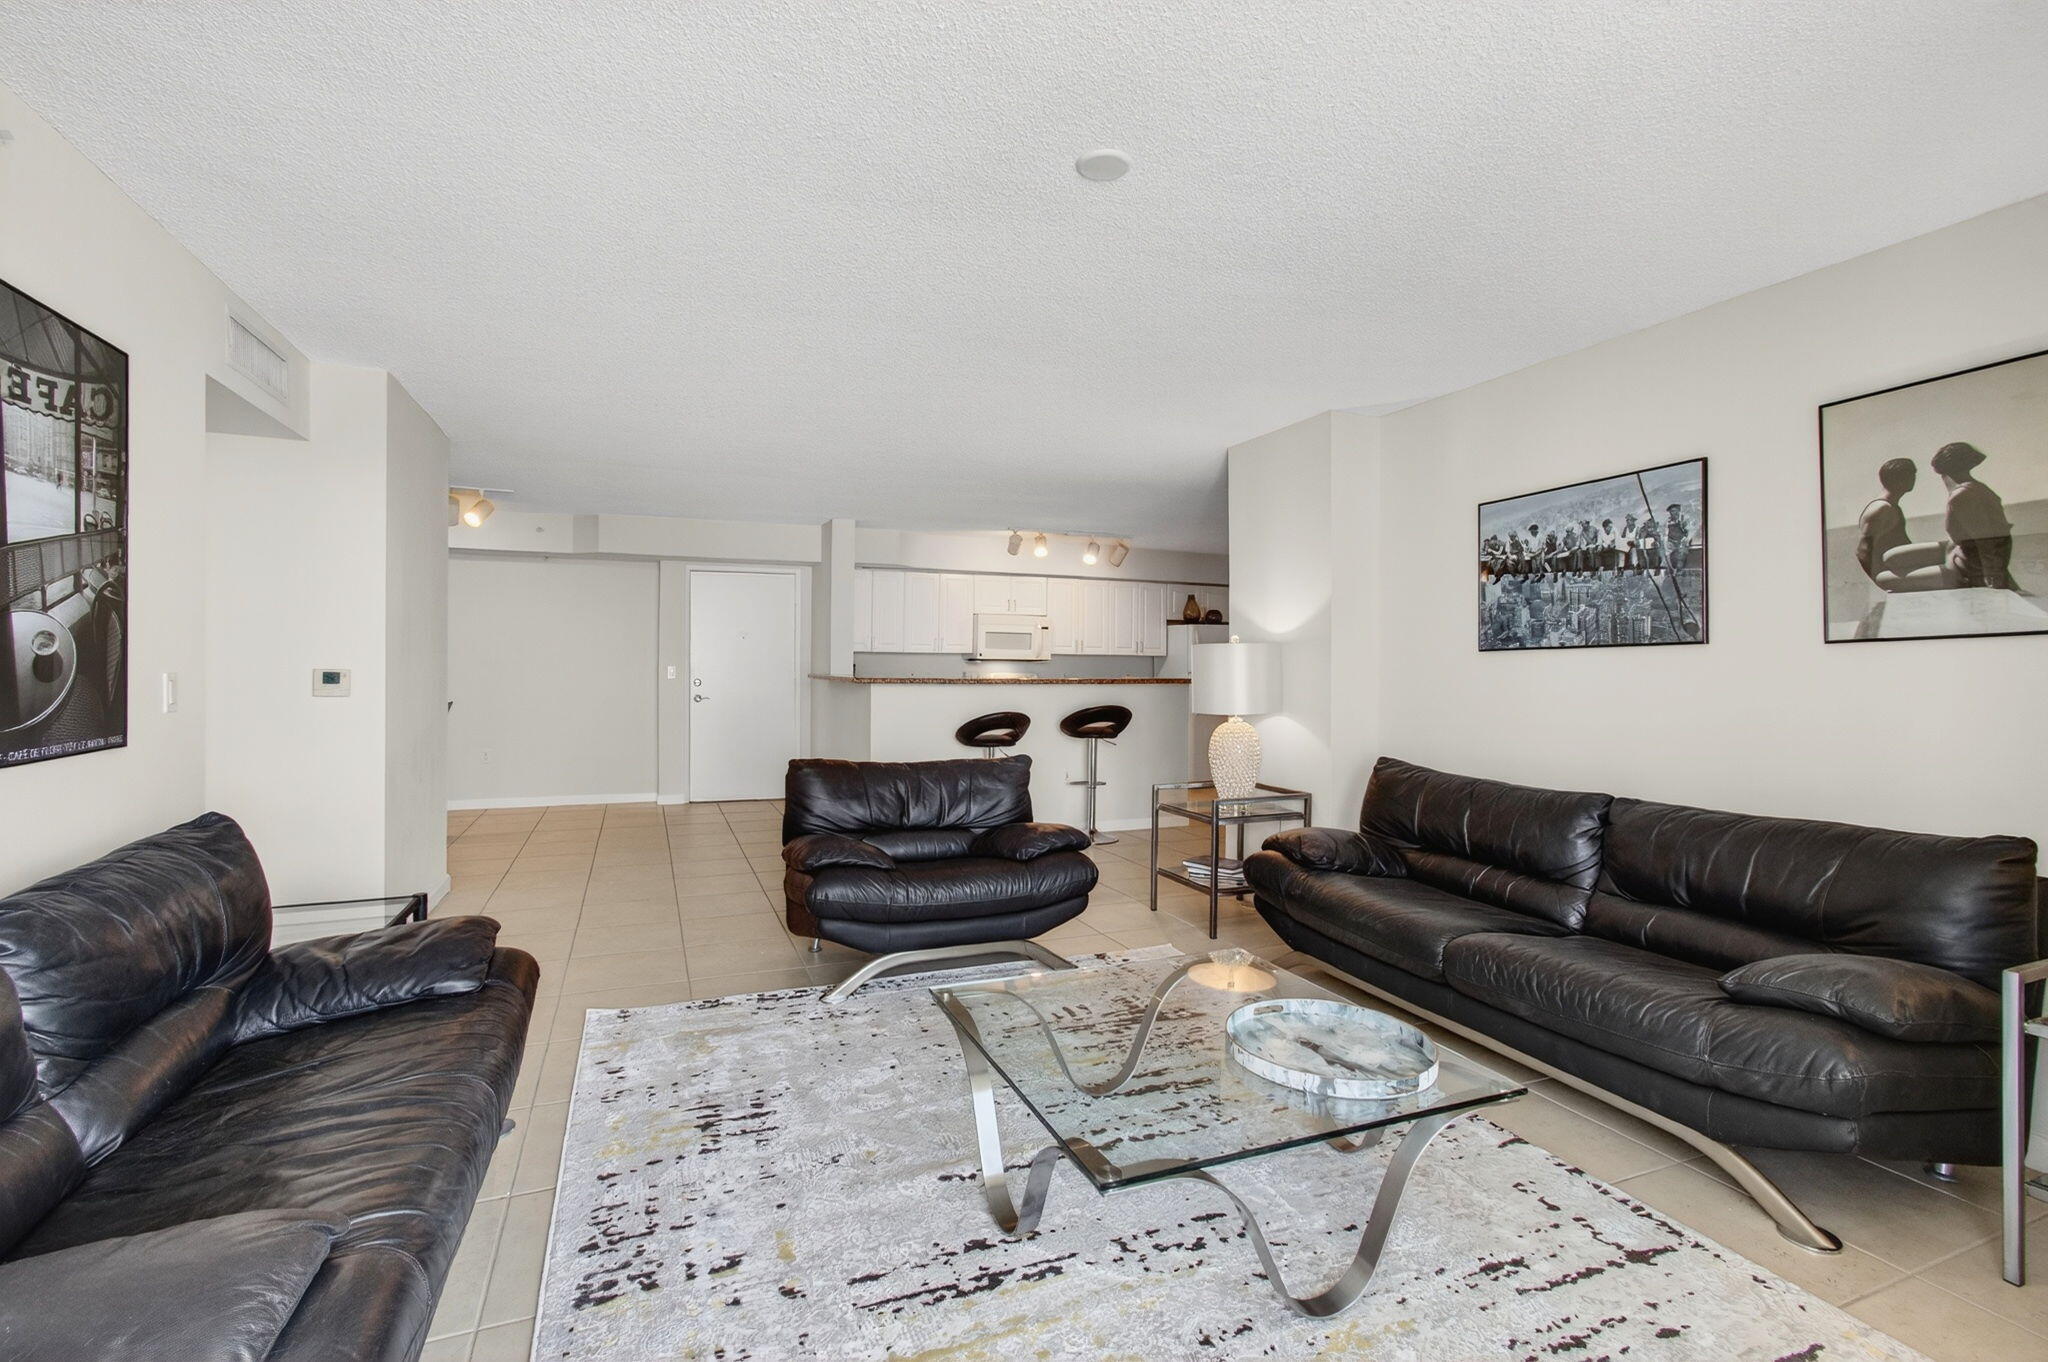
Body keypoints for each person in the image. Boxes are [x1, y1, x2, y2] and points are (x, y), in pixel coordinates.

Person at [1933, 441, 2019, 590]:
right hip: (1964, 555)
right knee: (1895, 557)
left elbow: (1984, 538)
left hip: (1970, 565)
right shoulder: (1978, 488)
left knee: (1889, 575)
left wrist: (1992, 575)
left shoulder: (1962, 495)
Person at [1854, 457, 1948, 593]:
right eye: (1910, 475)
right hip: (1894, 573)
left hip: (1902, 568)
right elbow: (1862, 551)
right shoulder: (1881, 508)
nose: (1914, 480)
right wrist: (1883, 581)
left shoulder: (1892, 507)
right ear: (1898, 479)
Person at [1664, 504, 1692, 573]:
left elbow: (1688, 532)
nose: (1675, 513)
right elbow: (1665, 535)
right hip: (1671, 544)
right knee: (1668, 556)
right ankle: (1672, 570)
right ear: (1670, 513)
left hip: (1682, 543)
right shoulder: (1667, 523)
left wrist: (1685, 539)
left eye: (1677, 511)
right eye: (1673, 511)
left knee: (1682, 556)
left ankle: (1680, 571)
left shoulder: (1683, 521)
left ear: (1679, 511)